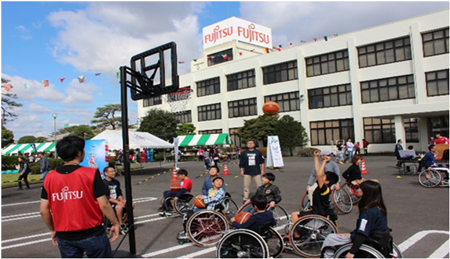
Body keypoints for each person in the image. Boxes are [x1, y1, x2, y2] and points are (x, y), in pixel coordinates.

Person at [40, 136, 119, 258]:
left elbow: (44, 209)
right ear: (79, 153)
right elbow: (104, 204)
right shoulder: (91, 173)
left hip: (64, 234)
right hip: (92, 232)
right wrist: (115, 223)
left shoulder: (49, 177)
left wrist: (52, 229)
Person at [321, 180, 389, 259]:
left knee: (330, 238)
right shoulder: (378, 207)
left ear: (366, 192)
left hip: (369, 241)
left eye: (360, 188)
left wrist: (352, 252)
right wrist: (350, 234)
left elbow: (362, 233)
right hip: (379, 238)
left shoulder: (367, 212)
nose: (358, 190)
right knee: (337, 236)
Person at [291, 150, 339, 225]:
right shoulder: (323, 187)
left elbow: (319, 175)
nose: (321, 177)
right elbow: (318, 171)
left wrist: (324, 162)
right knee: (295, 214)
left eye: (324, 177)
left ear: (327, 182)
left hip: (318, 213)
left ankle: (295, 235)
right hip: (316, 210)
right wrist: (316, 157)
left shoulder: (325, 189)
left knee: (294, 216)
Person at [103, 166, 135, 235]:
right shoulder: (103, 183)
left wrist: (122, 200)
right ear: (106, 173)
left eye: (114, 171)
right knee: (119, 207)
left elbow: (119, 193)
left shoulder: (116, 182)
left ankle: (125, 221)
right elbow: (106, 197)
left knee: (131, 204)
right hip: (108, 203)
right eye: (111, 171)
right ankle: (120, 224)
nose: (113, 173)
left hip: (116, 201)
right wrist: (118, 202)